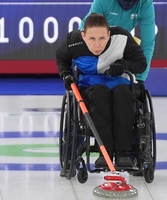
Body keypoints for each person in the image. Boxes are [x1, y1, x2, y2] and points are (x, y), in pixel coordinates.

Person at [56, 13, 147, 168]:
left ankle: (123, 153)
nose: (97, 44)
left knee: (123, 95)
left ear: (109, 34)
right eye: (92, 39)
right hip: (90, 84)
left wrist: (123, 65)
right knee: (100, 95)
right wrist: (66, 75)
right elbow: (61, 59)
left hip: (119, 81)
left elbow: (141, 63)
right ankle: (104, 153)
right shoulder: (72, 42)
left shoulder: (122, 37)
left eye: (102, 38)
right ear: (83, 36)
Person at [86, 0, 155, 81]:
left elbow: (147, 44)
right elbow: (87, 31)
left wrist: (140, 79)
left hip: (119, 47)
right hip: (97, 46)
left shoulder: (146, 4)